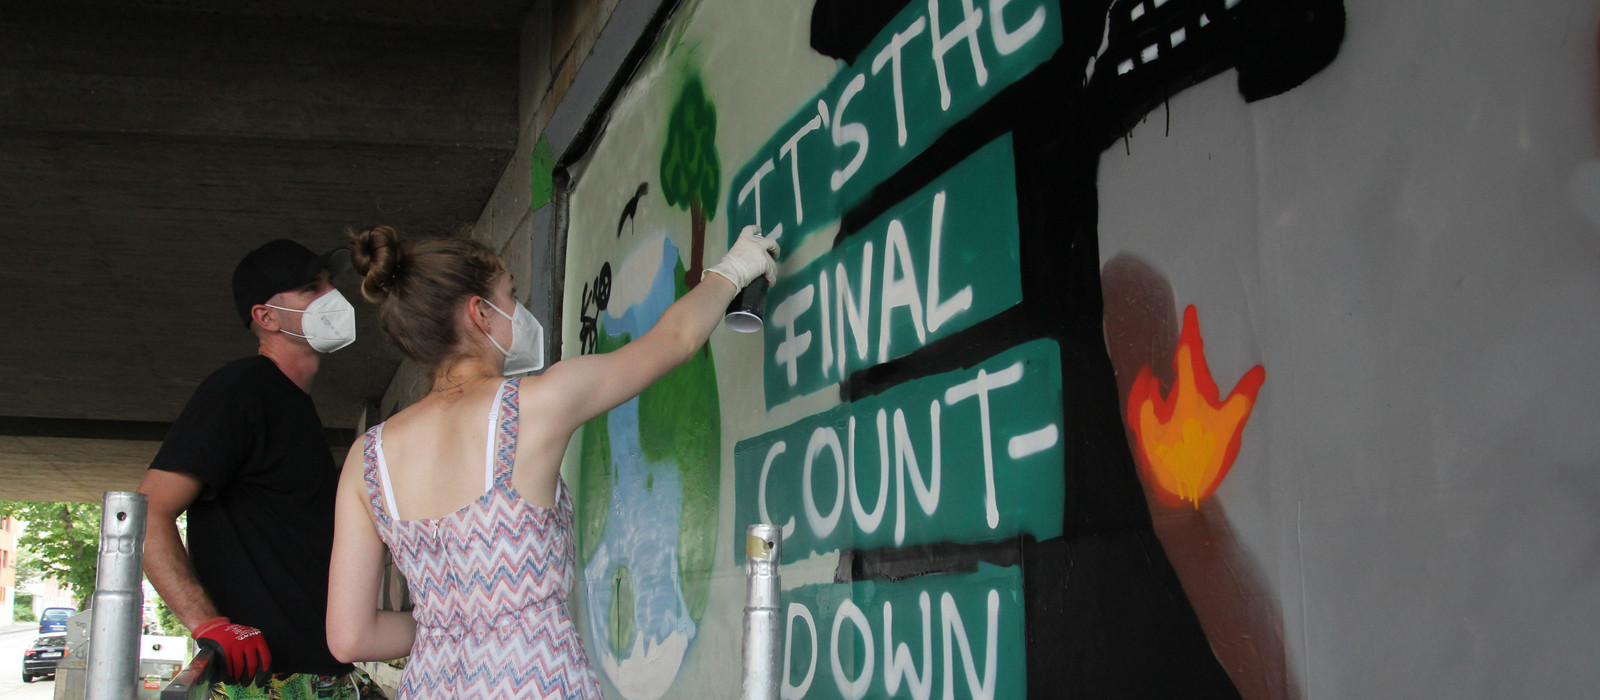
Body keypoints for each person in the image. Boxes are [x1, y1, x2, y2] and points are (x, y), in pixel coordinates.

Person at [325, 224, 777, 698]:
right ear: (480, 313)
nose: (518, 311)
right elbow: (677, 339)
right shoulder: (533, 407)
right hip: (537, 679)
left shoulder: (366, 458)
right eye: (510, 295)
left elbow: (349, 636)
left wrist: (453, 629)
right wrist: (734, 270)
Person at [137, 239, 384, 699]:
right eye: (311, 288)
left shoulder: (295, 406)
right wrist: (207, 623)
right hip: (266, 682)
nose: (332, 297)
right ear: (267, 317)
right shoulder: (240, 390)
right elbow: (147, 513)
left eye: (329, 283)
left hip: (322, 671)